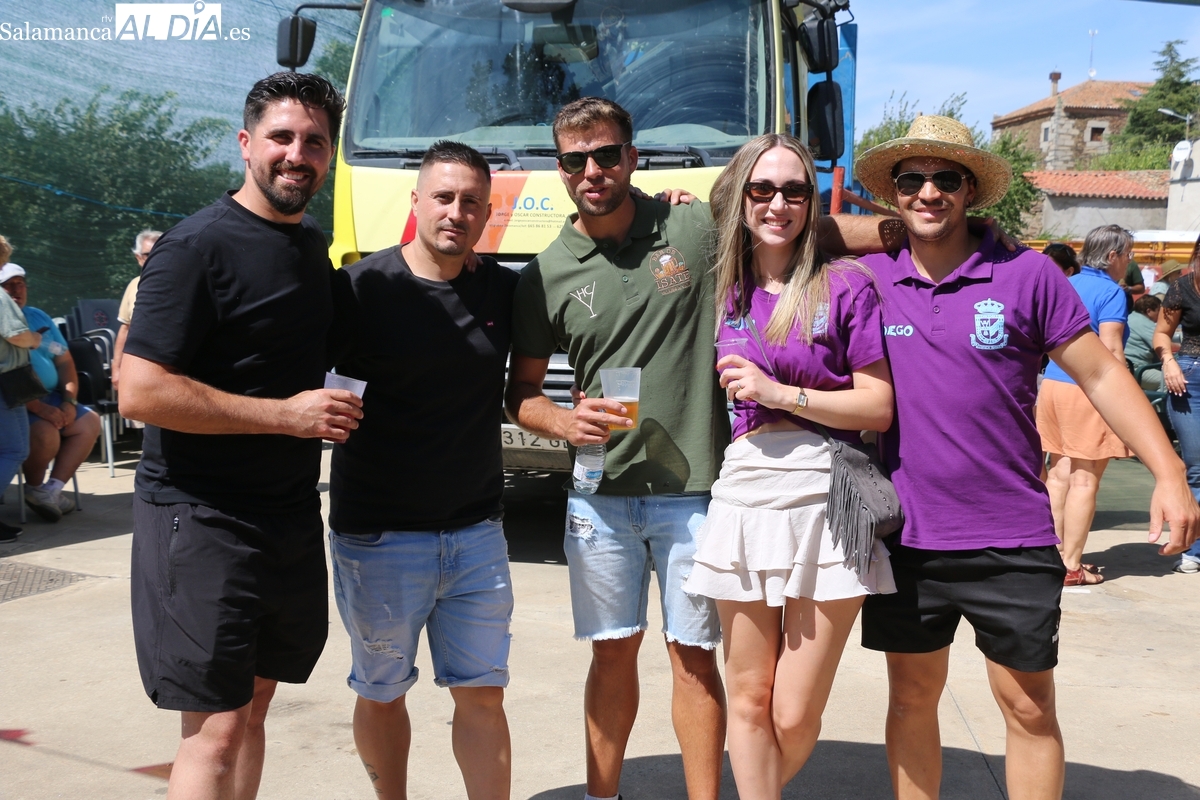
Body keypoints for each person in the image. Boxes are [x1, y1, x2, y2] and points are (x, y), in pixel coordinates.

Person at [504, 96, 897, 800]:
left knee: (695, 660)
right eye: (575, 159)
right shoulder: (544, 274)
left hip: (698, 492)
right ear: (558, 167)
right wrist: (563, 422)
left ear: (632, 157)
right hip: (600, 494)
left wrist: (922, 226)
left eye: (606, 154)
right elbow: (522, 391)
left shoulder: (689, 225)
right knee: (611, 656)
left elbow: (798, 222)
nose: (592, 170)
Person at [852, 116, 1197, 800]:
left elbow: (1102, 374)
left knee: (1030, 708)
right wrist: (877, 230)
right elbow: (797, 227)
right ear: (892, 193)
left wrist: (1169, 471)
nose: (928, 192)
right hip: (906, 535)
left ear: (972, 190)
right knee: (911, 700)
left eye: (946, 178)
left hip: (1010, 533)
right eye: (911, 179)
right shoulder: (869, 275)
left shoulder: (1026, 273)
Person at [118, 73, 363, 800]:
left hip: (285, 515)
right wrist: (286, 416)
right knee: (215, 729)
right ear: (246, 143)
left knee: (255, 706)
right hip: (201, 517)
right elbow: (139, 391)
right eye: (281, 137)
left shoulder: (309, 246)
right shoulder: (195, 247)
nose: (297, 155)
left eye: (314, 142)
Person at [680, 133, 896, 799]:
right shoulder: (718, 283)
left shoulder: (847, 285)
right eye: (763, 189)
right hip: (745, 492)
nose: (778, 204)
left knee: (793, 712)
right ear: (740, 196)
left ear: (811, 201)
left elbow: (878, 406)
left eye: (795, 190)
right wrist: (671, 206)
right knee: (748, 698)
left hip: (830, 491)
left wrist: (779, 394)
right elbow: (647, 256)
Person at [327, 141, 517, 800]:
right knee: (381, 693)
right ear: (416, 201)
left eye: (471, 202)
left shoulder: (502, 289)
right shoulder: (359, 289)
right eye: (443, 197)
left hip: (476, 535)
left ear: (487, 212)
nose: (455, 212)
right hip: (379, 538)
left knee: (484, 695)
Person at [1038, 225, 1136, 587]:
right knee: (1085, 478)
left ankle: (1051, 557)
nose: (1129, 261)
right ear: (1112, 256)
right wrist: (1127, 399)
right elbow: (1111, 349)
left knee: (1058, 474)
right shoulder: (1111, 292)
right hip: (1088, 389)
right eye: (1128, 254)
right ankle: (1071, 565)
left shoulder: (1066, 283)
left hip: (1052, 385)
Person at [0, 264, 101, 522]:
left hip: (51, 395)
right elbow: (7, 375)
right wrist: (40, 408)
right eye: (8, 285)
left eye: (20, 283)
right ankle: (35, 488)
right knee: (46, 434)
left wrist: (69, 401)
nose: (16, 290)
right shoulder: (5, 320)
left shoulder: (39, 316)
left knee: (90, 421)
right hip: (17, 400)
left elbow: (65, 361)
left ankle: (51, 490)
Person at [1154, 236, 1200, 575]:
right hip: (1189, 379)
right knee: (1196, 466)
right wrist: (1168, 361)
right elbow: (1161, 333)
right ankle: (1193, 549)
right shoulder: (1182, 288)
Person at [0, 235, 38, 543]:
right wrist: (34, 340)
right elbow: (16, 335)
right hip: (5, 382)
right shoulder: (0, 298)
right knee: (15, 449)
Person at [111, 229, 161, 390]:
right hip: (139, 370)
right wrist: (117, 368)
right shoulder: (133, 285)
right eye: (148, 254)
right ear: (138, 258)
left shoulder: (184, 283)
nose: (155, 258)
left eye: (160, 252)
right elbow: (125, 328)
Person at [1127, 294, 1164, 390]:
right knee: (1170, 381)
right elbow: (1161, 343)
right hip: (1138, 368)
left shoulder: (1131, 317)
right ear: (1149, 311)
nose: (1161, 315)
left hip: (1129, 366)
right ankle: (1159, 400)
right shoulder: (1142, 322)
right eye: (1159, 311)